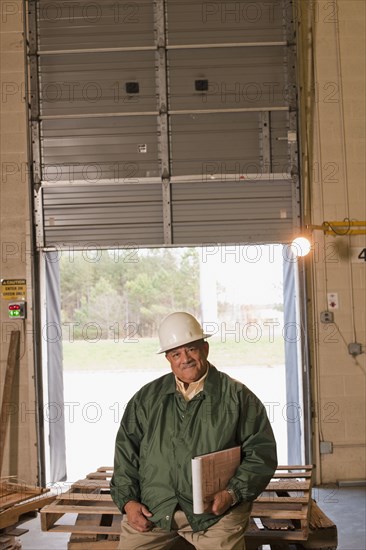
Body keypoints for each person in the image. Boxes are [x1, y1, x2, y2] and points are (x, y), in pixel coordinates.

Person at [110, 311, 277, 550]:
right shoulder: (146, 399)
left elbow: (261, 454)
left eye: (191, 349)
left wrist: (232, 493)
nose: (184, 358)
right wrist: (127, 502)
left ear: (205, 349)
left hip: (216, 514)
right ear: (168, 358)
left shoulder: (238, 397)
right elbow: (126, 454)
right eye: (176, 353)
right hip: (156, 511)